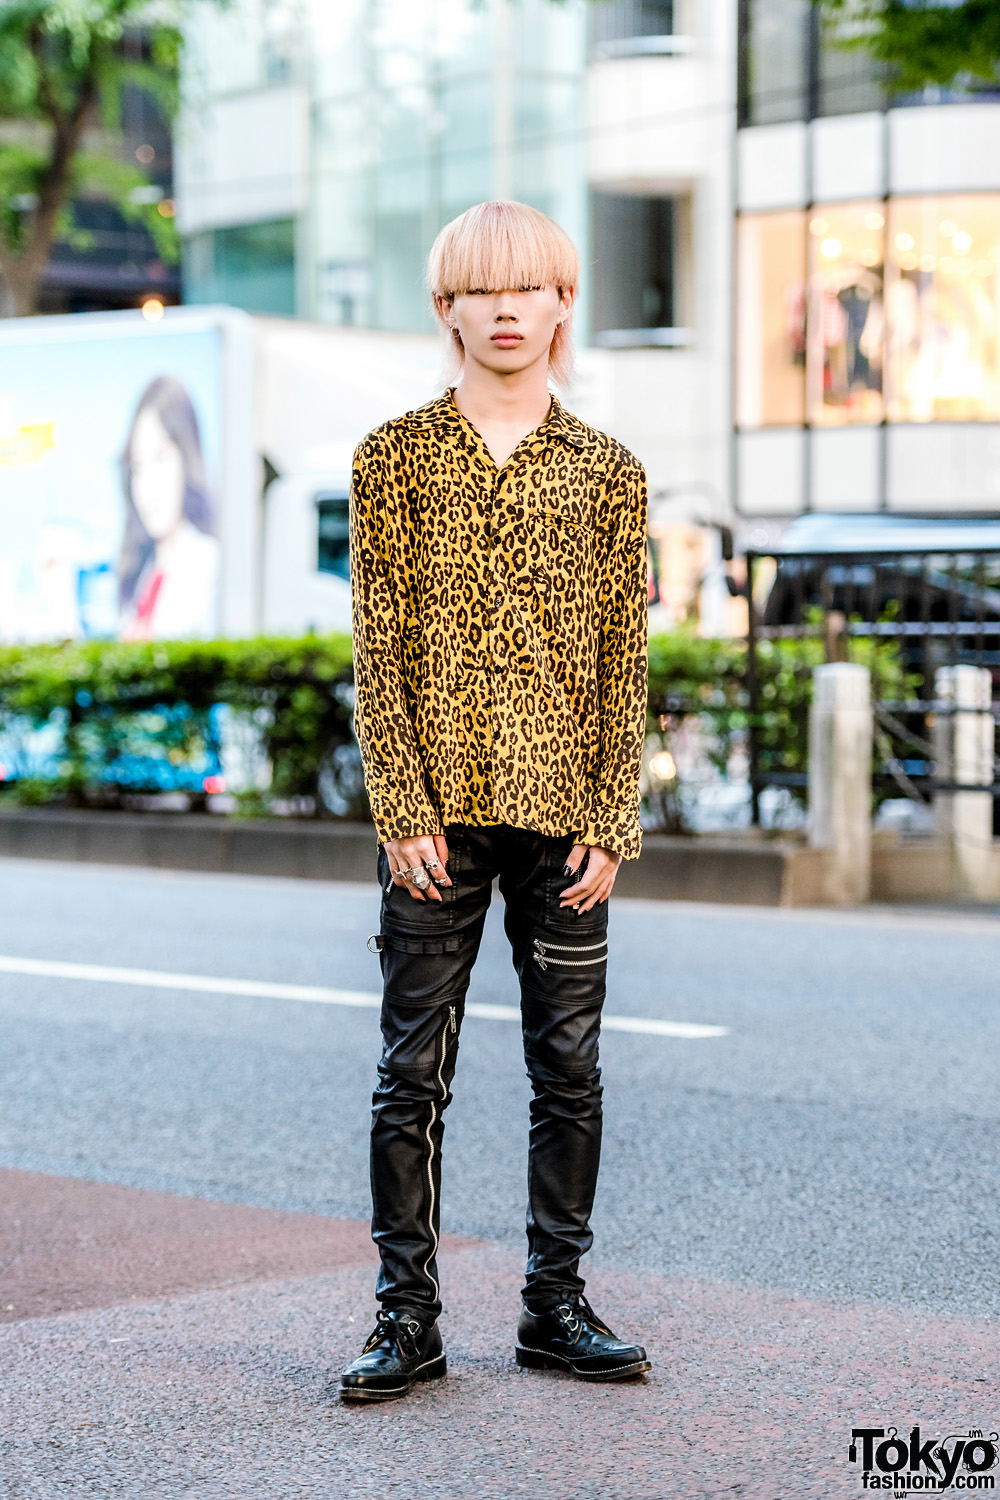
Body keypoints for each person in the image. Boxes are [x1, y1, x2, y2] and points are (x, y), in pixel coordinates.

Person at [340, 200, 650, 1402]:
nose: (509, 308)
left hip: (567, 820)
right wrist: (400, 806)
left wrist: (611, 818)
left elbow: (624, 658)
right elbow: (382, 645)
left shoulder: (607, 472)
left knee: (568, 1067)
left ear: (566, 303)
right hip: (436, 820)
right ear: (446, 308)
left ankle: (553, 1307)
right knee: (411, 1073)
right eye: (483, 289)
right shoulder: (394, 457)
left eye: (533, 287)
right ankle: (404, 1318)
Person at [118, 376, 219, 639]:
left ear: (187, 457)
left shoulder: (209, 565)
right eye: (138, 466)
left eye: (161, 458)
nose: (148, 485)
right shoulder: (142, 569)